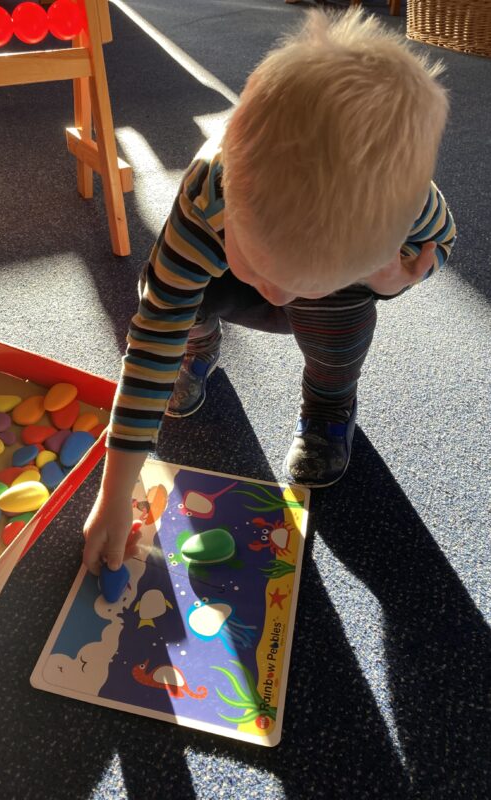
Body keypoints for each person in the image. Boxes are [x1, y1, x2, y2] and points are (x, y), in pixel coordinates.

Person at [83, 8, 456, 574]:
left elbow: (441, 243)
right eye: (264, 271)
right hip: (219, 275)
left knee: (341, 321)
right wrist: (115, 493)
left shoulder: (409, 203)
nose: (277, 300)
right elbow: (154, 331)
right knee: (168, 292)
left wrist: (393, 279)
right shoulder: (209, 193)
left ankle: (328, 403)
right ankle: (200, 346)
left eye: (293, 285)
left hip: (334, 297)